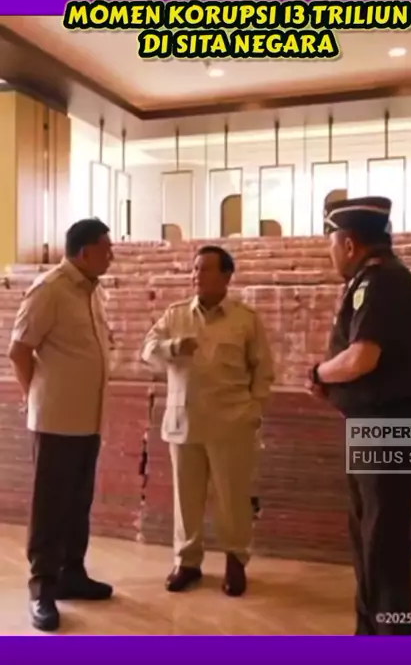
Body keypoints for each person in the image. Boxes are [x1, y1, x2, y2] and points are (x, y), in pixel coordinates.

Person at [310, 196, 411, 635]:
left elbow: (362, 357)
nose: (331, 253)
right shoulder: (374, 279)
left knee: (383, 544)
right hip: (377, 424)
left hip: (390, 426)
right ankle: (370, 636)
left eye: (332, 243)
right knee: (370, 539)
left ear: (349, 243)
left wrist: (320, 373)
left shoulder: (382, 281)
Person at [141, 245, 274, 597]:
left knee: (233, 498)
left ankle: (235, 560)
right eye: (195, 268)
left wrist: (253, 410)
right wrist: (172, 348)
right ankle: (187, 562)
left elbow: (263, 369)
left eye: (205, 269)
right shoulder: (175, 316)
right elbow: (147, 351)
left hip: (231, 424)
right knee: (186, 498)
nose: (197, 275)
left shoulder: (245, 319)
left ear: (227, 276)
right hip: (183, 421)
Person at [8, 218, 115, 632]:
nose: (111, 255)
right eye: (106, 248)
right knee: (50, 507)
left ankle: (72, 573)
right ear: (85, 252)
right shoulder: (50, 289)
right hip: (56, 419)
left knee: (77, 502)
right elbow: (19, 350)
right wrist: (35, 396)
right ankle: (43, 589)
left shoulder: (92, 291)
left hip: (89, 418)